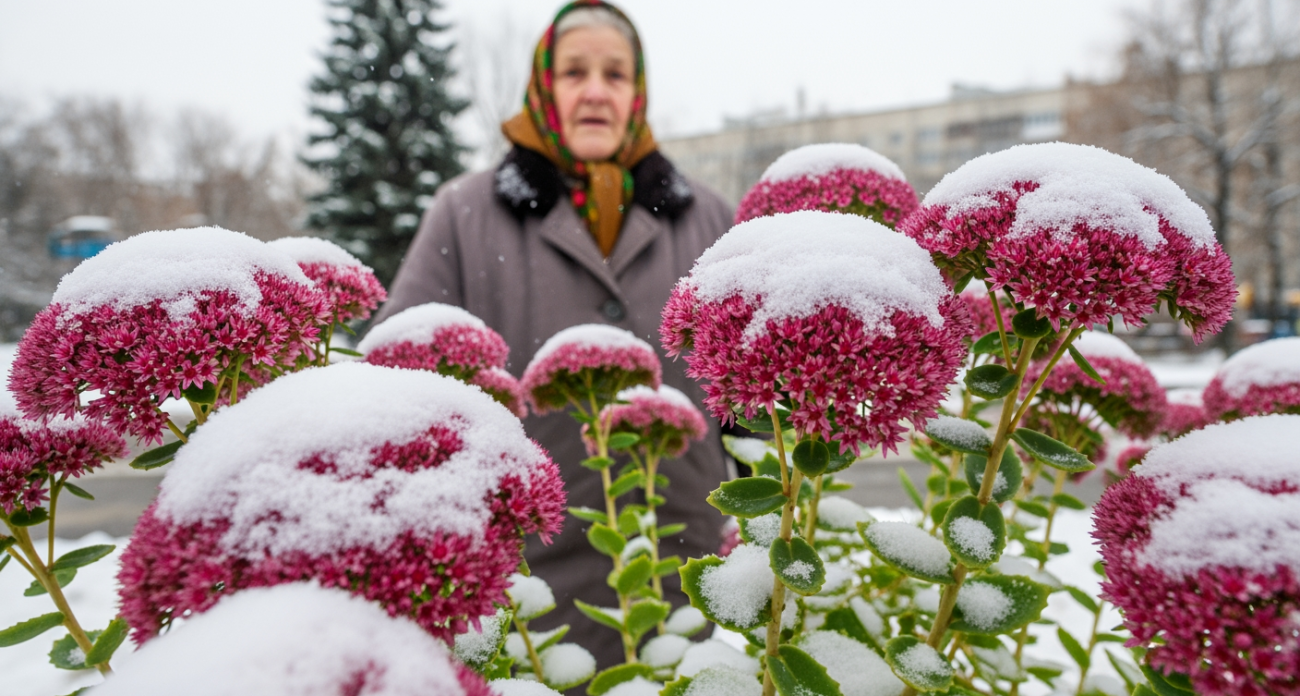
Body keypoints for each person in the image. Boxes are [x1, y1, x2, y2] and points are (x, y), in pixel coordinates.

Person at [371, 0, 734, 668]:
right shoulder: (465, 212)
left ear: (638, 93)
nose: (596, 89)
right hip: (528, 595)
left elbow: (747, 395)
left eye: (615, 74)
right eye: (574, 71)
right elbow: (399, 381)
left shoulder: (705, 214)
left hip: (688, 581)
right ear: (544, 87)